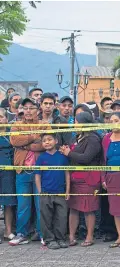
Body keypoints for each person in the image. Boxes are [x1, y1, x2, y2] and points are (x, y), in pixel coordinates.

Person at [9, 98, 51, 246]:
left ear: (38, 109)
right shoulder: (16, 125)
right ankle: (22, 234)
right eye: (25, 108)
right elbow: (14, 141)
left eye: (31, 108)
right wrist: (33, 137)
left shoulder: (44, 125)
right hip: (22, 170)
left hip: (40, 172)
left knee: (41, 204)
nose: (28, 111)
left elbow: (46, 144)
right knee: (23, 204)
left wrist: (26, 145)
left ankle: (42, 234)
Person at [60, 111, 102, 247]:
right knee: (73, 208)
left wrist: (69, 153)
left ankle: (90, 237)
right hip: (75, 178)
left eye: (76, 122)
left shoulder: (93, 139)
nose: (74, 124)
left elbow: (86, 158)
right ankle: (72, 236)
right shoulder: (77, 137)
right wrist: (66, 151)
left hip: (89, 178)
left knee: (88, 209)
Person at [101, 112, 120, 248]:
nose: (113, 123)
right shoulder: (106, 138)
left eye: (116, 120)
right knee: (114, 209)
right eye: (111, 120)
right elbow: (104, 160)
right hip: (111, 176)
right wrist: (103, 177)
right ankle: (119, 235)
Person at [34, 133, 70, 249]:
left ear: (56, 141)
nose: (47, 142)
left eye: (50, 139)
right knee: (46, 217)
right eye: (44, 141)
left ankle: (61, 238)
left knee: (61, 217)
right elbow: (37, 176)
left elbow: (67, 174)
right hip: (46, 192)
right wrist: (40, 191)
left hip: (60, 192)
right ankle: (49, 239)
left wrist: (68, 190)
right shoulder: (41, 158)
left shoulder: (62, 157)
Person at [0, 108, 17, 243]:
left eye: (1, 117)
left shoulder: (12, 134)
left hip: (9, 172)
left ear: (6, 119)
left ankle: (8, 231)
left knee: (9, 202)